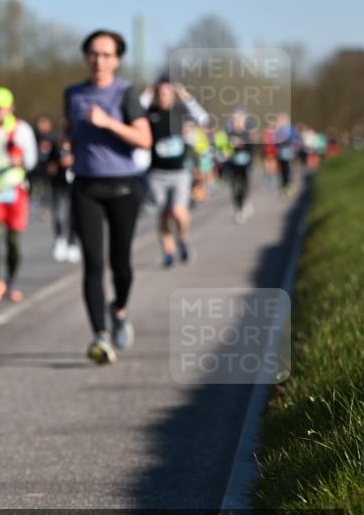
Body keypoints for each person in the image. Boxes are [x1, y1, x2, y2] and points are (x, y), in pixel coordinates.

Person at [65, 30, 151, 365]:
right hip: (86, 186)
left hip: (124, 188)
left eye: (106, 55)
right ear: (86, 57)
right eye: (93, 54)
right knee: (92, 264)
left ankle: (119, 309)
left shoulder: (126, 93)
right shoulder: (73, 94)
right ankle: (100, 336)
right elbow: (70, 132)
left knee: (121, 265)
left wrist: (108, 123)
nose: (98, 60)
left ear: (116, 60)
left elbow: (144, 140)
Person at [142, 76, 209, 267]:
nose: (164, 96)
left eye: (168, 92)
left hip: (179, 172)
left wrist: (185, 96)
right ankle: (168, 252)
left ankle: (183, 239)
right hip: (157, 173)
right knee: (163, 215)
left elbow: (203, 118)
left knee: (178, 212)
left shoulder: (180, 112)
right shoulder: (150, 113)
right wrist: (147, 93)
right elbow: (132, 114)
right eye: (161, 93)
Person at [0, 87, 37, 304]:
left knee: (13, 241)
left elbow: (31, 160)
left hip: (14, 189)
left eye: (2, 108)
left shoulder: (21, 130)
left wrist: (19, 160)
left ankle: (11, 281)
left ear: (10, 108)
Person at [47, 133, 80, 263]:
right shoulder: (55, 150)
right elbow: (49, 166)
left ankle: (72, 241)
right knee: (58, 214)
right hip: (58, 185)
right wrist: (57, 165)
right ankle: (59, 238)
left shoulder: (77, 148)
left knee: (73, 215)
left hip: (74, 185)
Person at [225, 108, 255, 223]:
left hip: (245, 165)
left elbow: (251, 149)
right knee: (235, 187)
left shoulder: (246, 134)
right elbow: (224, 148)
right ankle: (238, 208)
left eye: (240, 119)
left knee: (244, 185)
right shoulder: (229, 133)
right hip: (233, 165)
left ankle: (244, 201)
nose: (237, 121)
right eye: (235, 119)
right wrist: (228, 150)